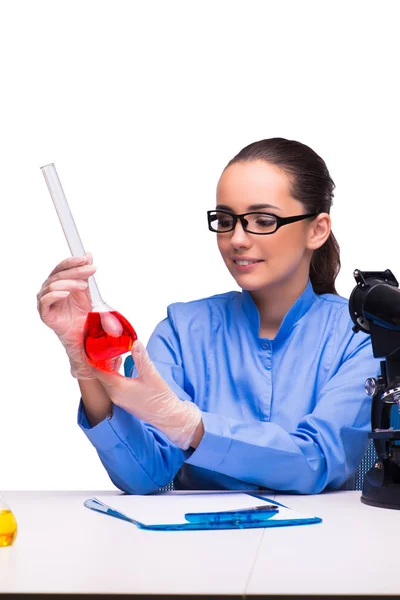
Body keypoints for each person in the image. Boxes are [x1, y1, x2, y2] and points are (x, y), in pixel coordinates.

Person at [37, 137, 380, 495]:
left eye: (263, 220)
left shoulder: (361, 335)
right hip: (199, 546)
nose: (237, 239)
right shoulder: (183, 331)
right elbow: (145, 474)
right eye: (226, 219)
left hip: (322, 545)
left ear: (317, 229)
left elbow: (317, 460)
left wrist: (190, 425)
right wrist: (87, 363)